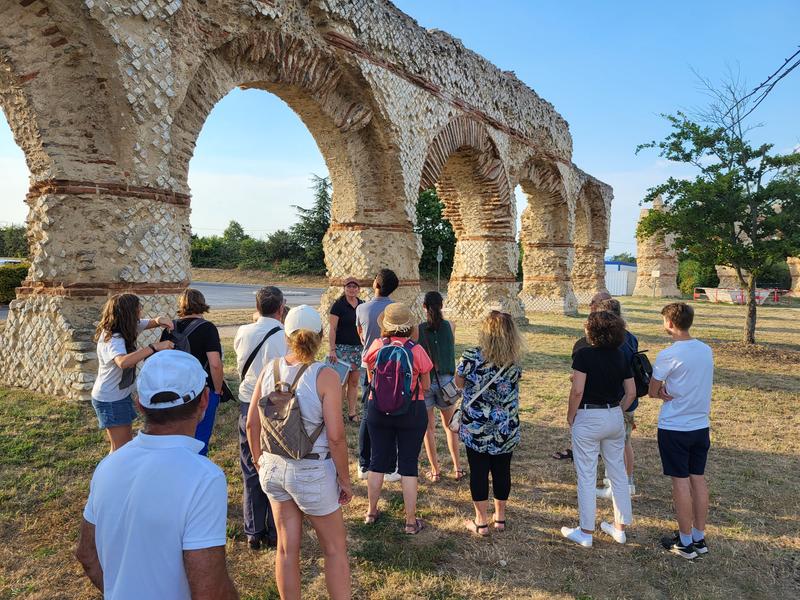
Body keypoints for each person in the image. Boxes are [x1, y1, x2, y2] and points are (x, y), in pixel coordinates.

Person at [76, 350, 238, 599]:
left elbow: (87, 554)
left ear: (139, 404)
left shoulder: (108, 466)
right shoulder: (204, 478)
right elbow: (210, 591)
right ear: (204, 400)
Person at [246, 305, 353, 600]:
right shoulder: (325, 375)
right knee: (334, 549)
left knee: (285, 546)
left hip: (273, 466)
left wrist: (257, 459)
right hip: (311, 470)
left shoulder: (269, 369)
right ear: (319, 336)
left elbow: (252, 422)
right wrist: (344, 480)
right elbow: (336, 436)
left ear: (287, 336)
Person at [561, 311, 635, 548]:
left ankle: (586, 531)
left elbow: (577, 390)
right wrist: (618, 410)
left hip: (589, 415)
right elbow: (631, 391)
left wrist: (571, 414)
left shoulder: (584, 355)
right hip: (613, 415)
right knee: (618, 472)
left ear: (592, 330)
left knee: (586, 474)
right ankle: (619, 528)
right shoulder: (621, 355)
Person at [649, 302, 714, 560]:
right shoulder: (706, 349)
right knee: (697, 478)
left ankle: (685, 543)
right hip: (700, 424)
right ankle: (699, 536)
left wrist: (660, 391)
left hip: (675, 426)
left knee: (680, 483)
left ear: (670, 323)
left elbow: (653, 390)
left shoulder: (669, 354)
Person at [363, 302, 432, 534]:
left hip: (378, 410)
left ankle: (371, 512)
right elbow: (426, 385)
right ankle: (410, 521)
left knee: (377, 461)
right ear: (409, 326)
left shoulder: (376, 345)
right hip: (411, 411)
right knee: (408, 465)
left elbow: (370, 375)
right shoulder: (416, 350)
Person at [455, 309, 523, 537]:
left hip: (477, 426)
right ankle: (500, 518)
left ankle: (481, 521)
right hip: (505, 426)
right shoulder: (515, 361)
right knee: (503, 470)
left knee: (478, 471)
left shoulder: (471, 356)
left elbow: (459, 383)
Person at [233, 286, 287, 550]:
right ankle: (277, 529)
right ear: (281, 308)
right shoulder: (283, 336)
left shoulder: (243, 332)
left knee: (250, 465)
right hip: (273, 404)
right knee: (275, 464)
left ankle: (254, 530)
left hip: (246, 402)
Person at [91, 293, 174, 452]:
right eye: (139, 308)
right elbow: (123, 362)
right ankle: (112, 476)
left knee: (120, 446)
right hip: (111, 399)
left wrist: (159, 320)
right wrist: (154, 347)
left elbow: (149, 323)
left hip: (118, 396)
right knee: (121, 449)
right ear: (129, 312)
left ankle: (115, 474)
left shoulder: (128, 326)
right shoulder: (113, 337)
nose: (141, 310)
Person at [160, 288, 223, 456]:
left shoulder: (169, 328)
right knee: (199, 438)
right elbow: (215, 364)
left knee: (175, 436)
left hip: (174, 389)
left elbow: (162, 359)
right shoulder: (208, 328)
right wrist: (217, 390)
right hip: (201, 389)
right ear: (202, 304)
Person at [552, 290, 612, 461]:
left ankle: (585, 449)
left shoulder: (590, 347)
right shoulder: (621, 339)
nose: (591, 305)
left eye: (595, 302)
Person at [355, 268, 401, 482]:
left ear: (376, 285)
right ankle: (391, 466)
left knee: (367, 413)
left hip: (369, 365)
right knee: (392, 413)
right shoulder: (396, 309)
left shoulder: (361, 308)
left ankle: (364, 464)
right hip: (393, 364)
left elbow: (361, 336)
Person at [593, 298, 640, 498]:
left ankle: (617, 484)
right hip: (628, 398)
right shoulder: (631, 337)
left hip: (615, 399)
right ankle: (626, 481)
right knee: (624, 441)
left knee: (615, 443)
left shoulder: (610, 340)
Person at [417, 291, 464, 482]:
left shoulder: (417, 329)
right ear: (442, 305)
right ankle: (458, 468)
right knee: (450, 426)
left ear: (424, 307)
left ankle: (435, 470)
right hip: (446, 381)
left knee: (428, 429)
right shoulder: (450, 326)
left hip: (425, 381)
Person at [328, 277, 365, 423]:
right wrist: (332, 349)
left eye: (355, 287)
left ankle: (352, 412)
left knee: (354, 382)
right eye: (349, 287)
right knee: (341, 382)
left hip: (357, 348)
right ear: (344, 288)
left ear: (358, 289)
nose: (352, 289)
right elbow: (332, 328)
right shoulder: (338, 305)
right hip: (341, 348)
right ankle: (337, 412)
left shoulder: (362, 305)